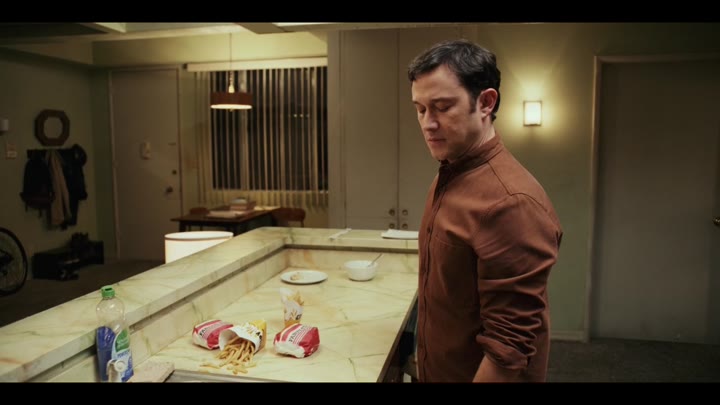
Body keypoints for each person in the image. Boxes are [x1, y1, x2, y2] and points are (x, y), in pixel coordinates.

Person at [407, 39, 563, 382]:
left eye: (442, 107)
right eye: (420, 109)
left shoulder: (511, 202)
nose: (427, 123)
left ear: (486, 102)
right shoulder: (451, 173)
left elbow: (508, 351)